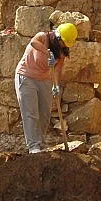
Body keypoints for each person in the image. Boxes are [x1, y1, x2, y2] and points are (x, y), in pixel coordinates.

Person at [14, 22, 77, 153]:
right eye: (63, 42)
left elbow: (58, 69)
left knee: (44, 113)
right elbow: (33, 43)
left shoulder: (62, 50)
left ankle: (40, 142)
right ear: (57, 37)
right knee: (31, 113)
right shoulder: (43, 37)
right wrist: (47, 53)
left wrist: (56, 86)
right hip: (26, 76)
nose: (64, 46)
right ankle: (34, 146)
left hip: (44, 79)